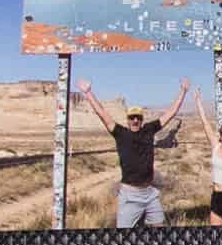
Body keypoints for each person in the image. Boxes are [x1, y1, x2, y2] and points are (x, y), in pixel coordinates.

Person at [76, 76, 191, 229]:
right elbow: (102, 113)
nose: (135, 120)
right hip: (130, 195)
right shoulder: (120, 133)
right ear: (128, 119)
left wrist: (183, 91)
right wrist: (88, 92)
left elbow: (170, 113)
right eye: (132, 118)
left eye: (138, 118)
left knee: (160, 228)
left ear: (142, 119)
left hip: (150, 194)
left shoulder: (149, 130)